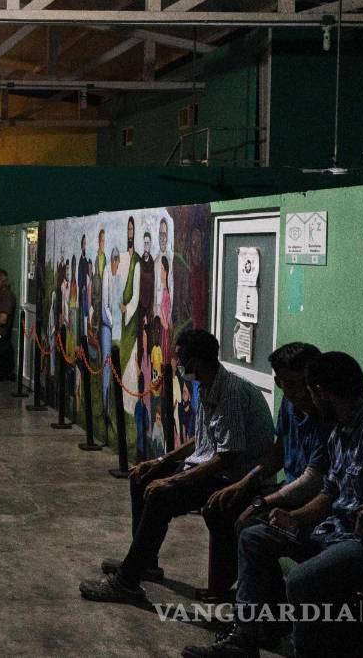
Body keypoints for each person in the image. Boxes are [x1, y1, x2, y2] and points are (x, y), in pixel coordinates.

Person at [183, 352, 363, 658]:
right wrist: (293, 517)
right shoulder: (340, 432)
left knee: (301, 581)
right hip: (334, 531)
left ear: (320, 392)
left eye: (308, 390)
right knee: (255, 537)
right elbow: (329, 494)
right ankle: (245, 638)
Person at [79, 329, 275, 604]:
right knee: (141, 477)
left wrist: (173, 480)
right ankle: (146, 562)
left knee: (161, 495)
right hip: (212, 466)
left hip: (234, 478)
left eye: (181, 358)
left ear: (198, 361)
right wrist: (161, 462)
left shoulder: (230, 393)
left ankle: (127, 582)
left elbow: (227, 457)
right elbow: (201, 440)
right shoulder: (208, 386)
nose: (178, 364)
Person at [197, 342, 328, 600]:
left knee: (251, 527)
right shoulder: (289, 405)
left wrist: (262, 502)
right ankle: (251, 589)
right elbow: (279, 451)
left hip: (311, 498)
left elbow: (313, 480)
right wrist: (245, 482)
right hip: (288, 489)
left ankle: (260, 600)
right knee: (219, 506)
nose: (295, 391)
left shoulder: (326, 415)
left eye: (301, 383)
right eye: (286, 384)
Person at [100, 248, 122, 414]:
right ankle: (105, 405)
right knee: (107, 364)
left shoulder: (118, 277)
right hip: (108, 327)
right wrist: (113, 322)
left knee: (116, 364)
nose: (116, 265)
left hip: (117, 329)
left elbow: (118, 301)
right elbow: (105, 304)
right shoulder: (107, 273)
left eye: (118, 262)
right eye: (115, 261)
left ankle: (114, 403)